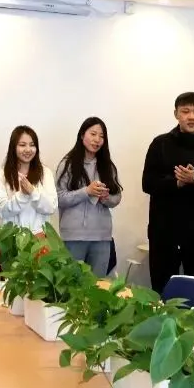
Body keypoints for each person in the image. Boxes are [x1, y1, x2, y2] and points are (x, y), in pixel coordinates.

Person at [141, 92, 194, 293]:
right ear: (176, 114)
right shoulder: (160, 144)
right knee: (162, 290)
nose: (192, 116)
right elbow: (148, 184)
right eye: (186, 111)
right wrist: (177, 183)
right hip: (164, 232)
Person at [56, 117, 123, 276]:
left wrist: (105, 197)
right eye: (93, 134)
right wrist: (86, 192)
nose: (97, 140)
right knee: (72, 284)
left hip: (102, 237)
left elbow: (117, 198)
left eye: (101, 136)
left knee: (98, 285)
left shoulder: (107, 166)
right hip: (74, 236)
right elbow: (58, 198)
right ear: (82, 135)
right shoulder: (67, 164)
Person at [0, 125, 57, 233]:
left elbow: (51, 208)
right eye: (22, 145)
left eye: (32, 145)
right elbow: (2, 211)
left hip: (38, 239)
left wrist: (33, 192)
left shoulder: (45, 173)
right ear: (13, 147)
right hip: (11, 239)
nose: (28, 149)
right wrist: (22, 196)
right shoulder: (2, 174)